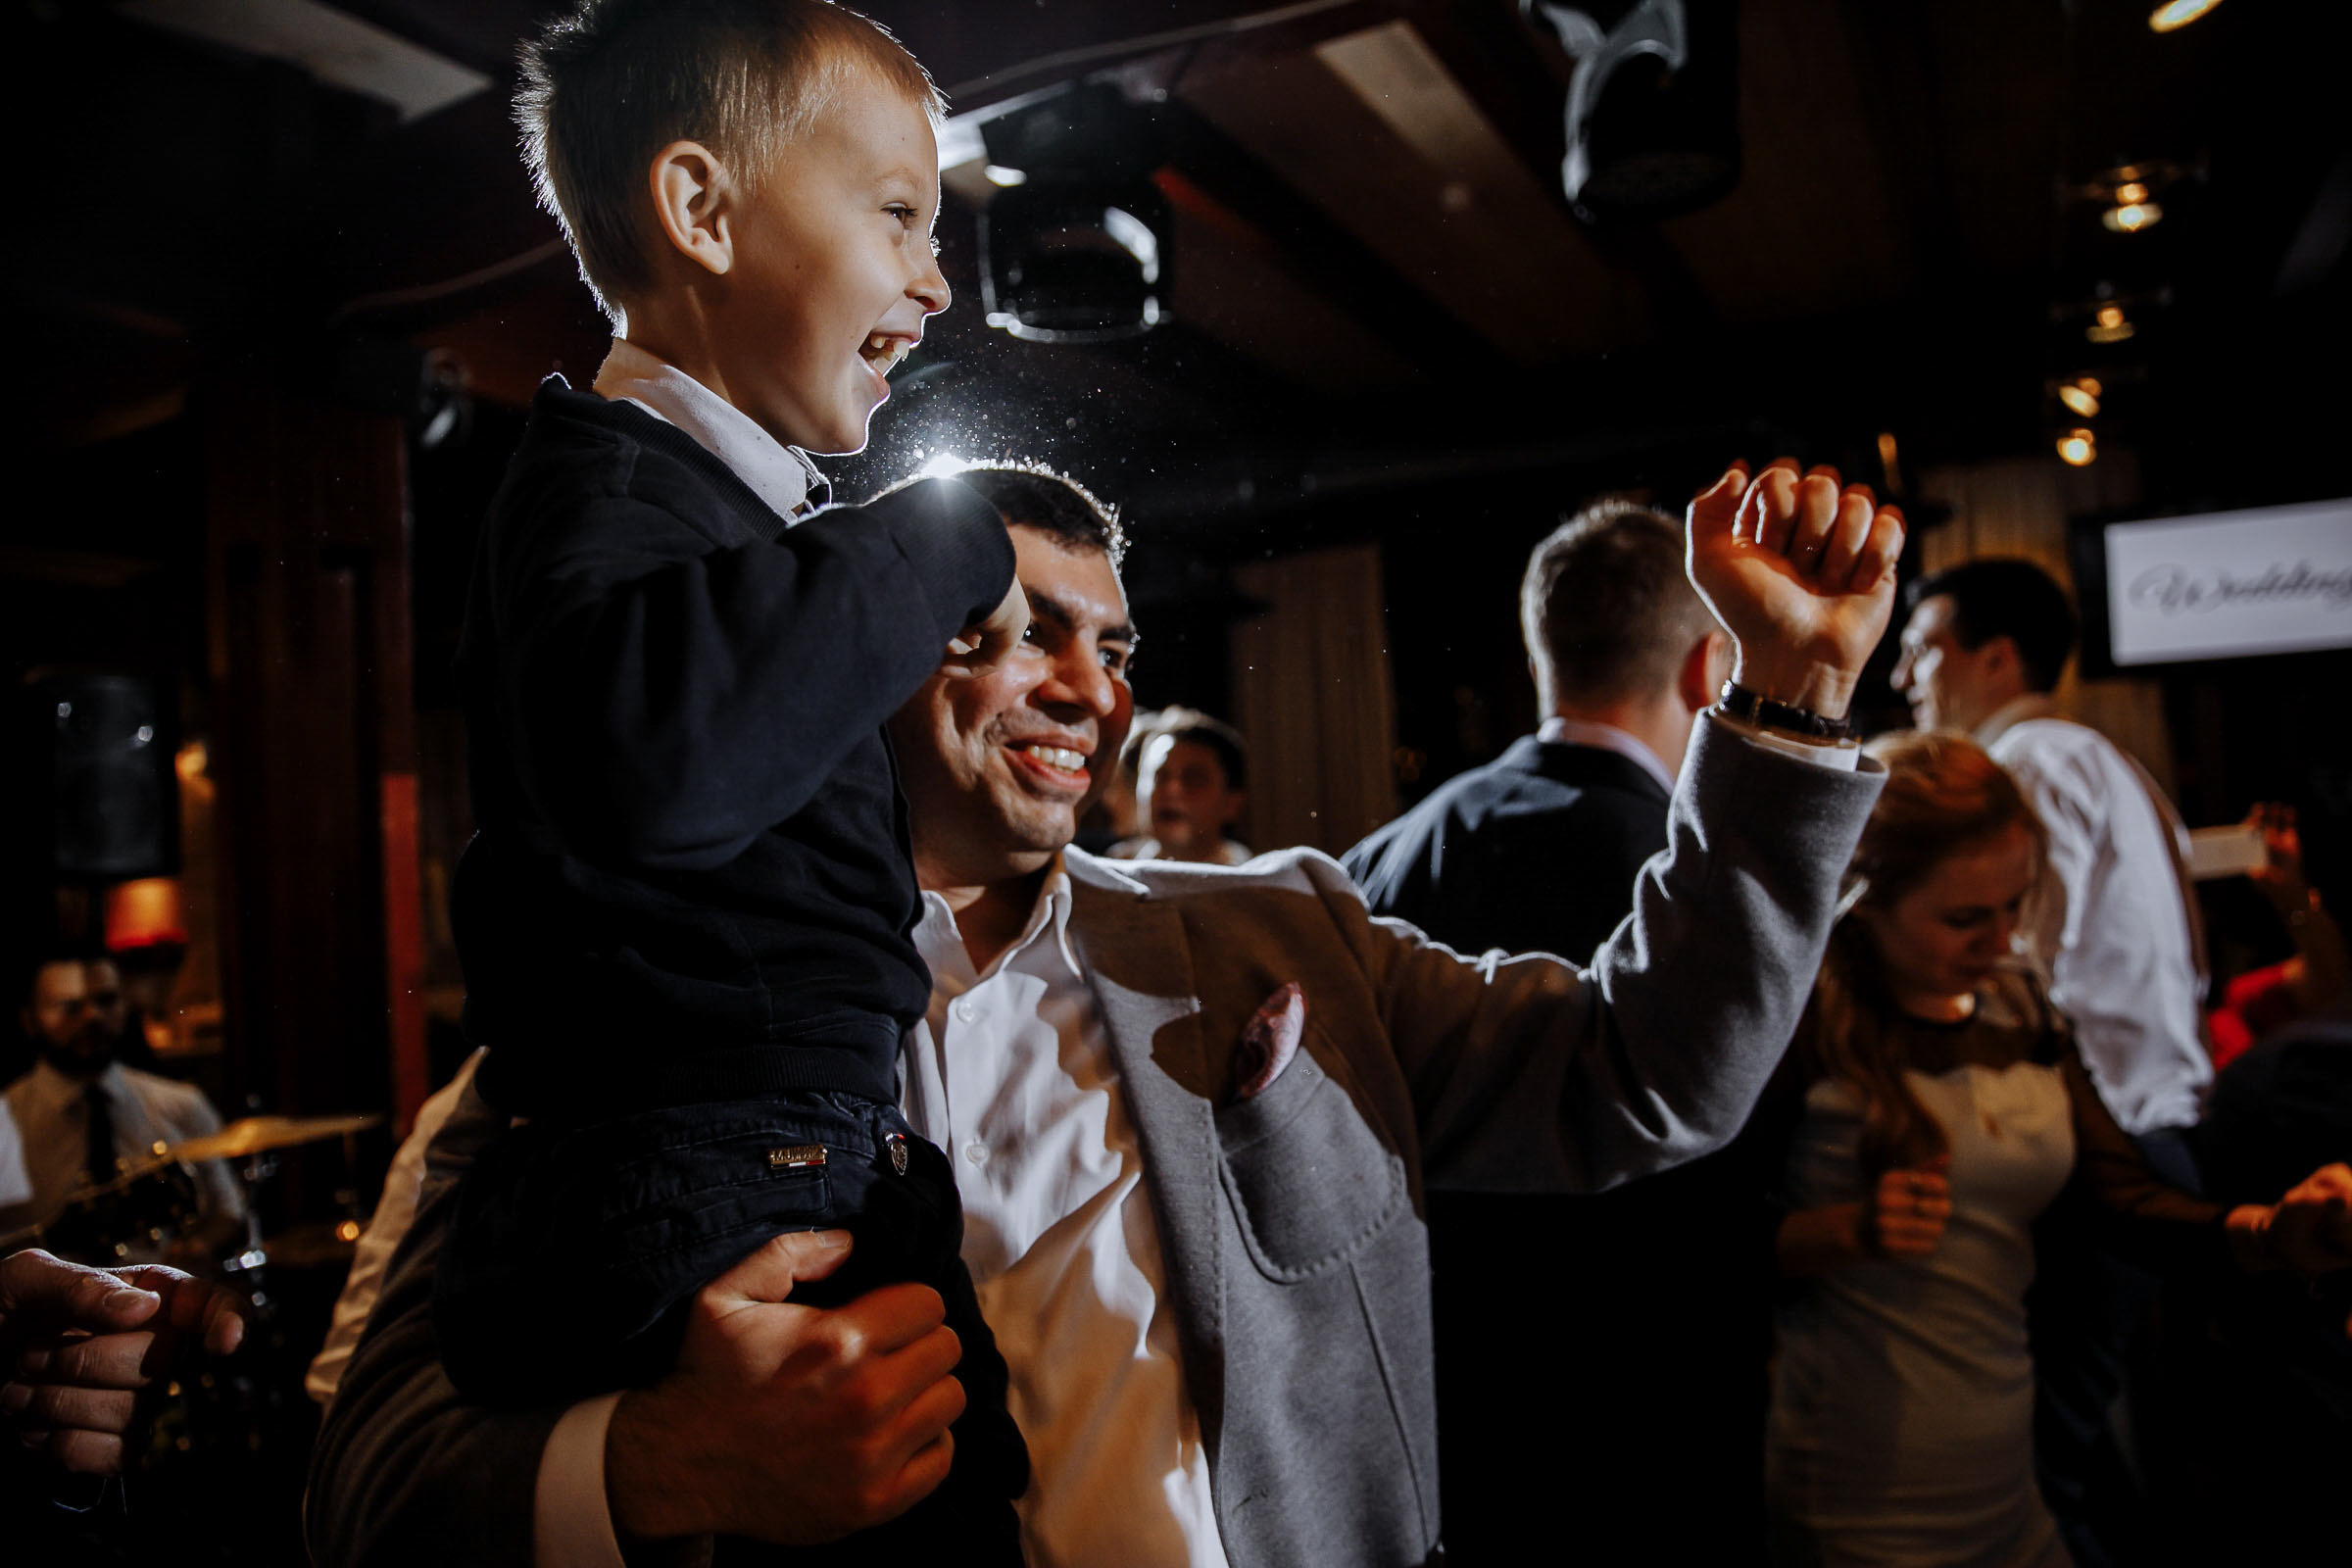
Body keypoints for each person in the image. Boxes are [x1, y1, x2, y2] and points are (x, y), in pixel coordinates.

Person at [308, 454, 1907, 1568]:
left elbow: (1641, 1075)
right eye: (1012, 631)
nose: (1091, 687)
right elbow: (364, 1483)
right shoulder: (628, 1008)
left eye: (1115, 645)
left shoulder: (1282, 932)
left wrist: (1786, 709)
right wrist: (663, 1466)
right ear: (856, 653)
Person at [427, 1, 1031, 1557]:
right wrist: (940, 529)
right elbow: (660, 761)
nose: (938, 272)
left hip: (774, 1143)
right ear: (700, 211)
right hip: (704, 1175)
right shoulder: (611, 485)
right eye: (898, 210)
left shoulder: (734, 527)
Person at [1754, 731, 2352, 1568]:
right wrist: (1845, 1234)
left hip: (2002, 1462)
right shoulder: (1796, 1023)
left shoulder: (2016, 1008)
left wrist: (2269, 1230)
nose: (2001, 942)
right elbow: (1692, 1235)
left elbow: (2120, 1200)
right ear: (1865, 899)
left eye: (2016, 906)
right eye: (1965, 919)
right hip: (1861, 1472)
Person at [1342, 497, 1763, 1563]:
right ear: (1711, 668)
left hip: (1435, 1399)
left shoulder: (1383, 855)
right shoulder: (1699, 896)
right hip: (1638, 1417)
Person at [1889, 558, 2209, 1563]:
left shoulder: (2021, 767)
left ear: (1996, 656)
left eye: (1922, 646)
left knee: (2038, 1470)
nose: (1904, 673)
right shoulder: (2110, 761)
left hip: (2100, 1147)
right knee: (2113, 1455)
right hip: (2162, 1128)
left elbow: (2013, 973)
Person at [0, 954, 243, 1263]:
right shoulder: (5, 1119)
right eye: (69, 1007)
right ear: (29, 1020)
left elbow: (229, 1207)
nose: (91, 1016)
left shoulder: (181, 1104)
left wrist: (198, 1249)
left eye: (106, 1000)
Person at [1111, 709, 1253, 865]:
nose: (1171, 790)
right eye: (1159, 777)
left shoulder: (1253, 883)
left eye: (1194, 779)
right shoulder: (1113, 870)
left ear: (1232, 803)